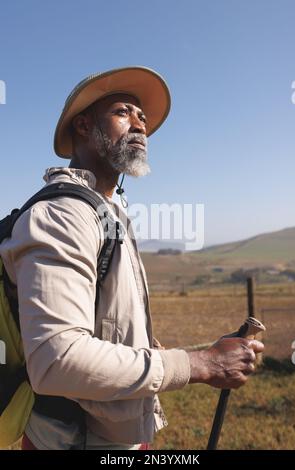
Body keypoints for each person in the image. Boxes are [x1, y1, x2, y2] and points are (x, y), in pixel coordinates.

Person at [0, 66, 264, 450]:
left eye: (142, 117)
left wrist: (198, 352)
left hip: (116, 433)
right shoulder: (64, 215)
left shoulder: (109, 212)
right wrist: (200, 364)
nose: (140, 125)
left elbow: (107, 320)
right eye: (123, 112)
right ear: (84, 127)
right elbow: (57, 360)